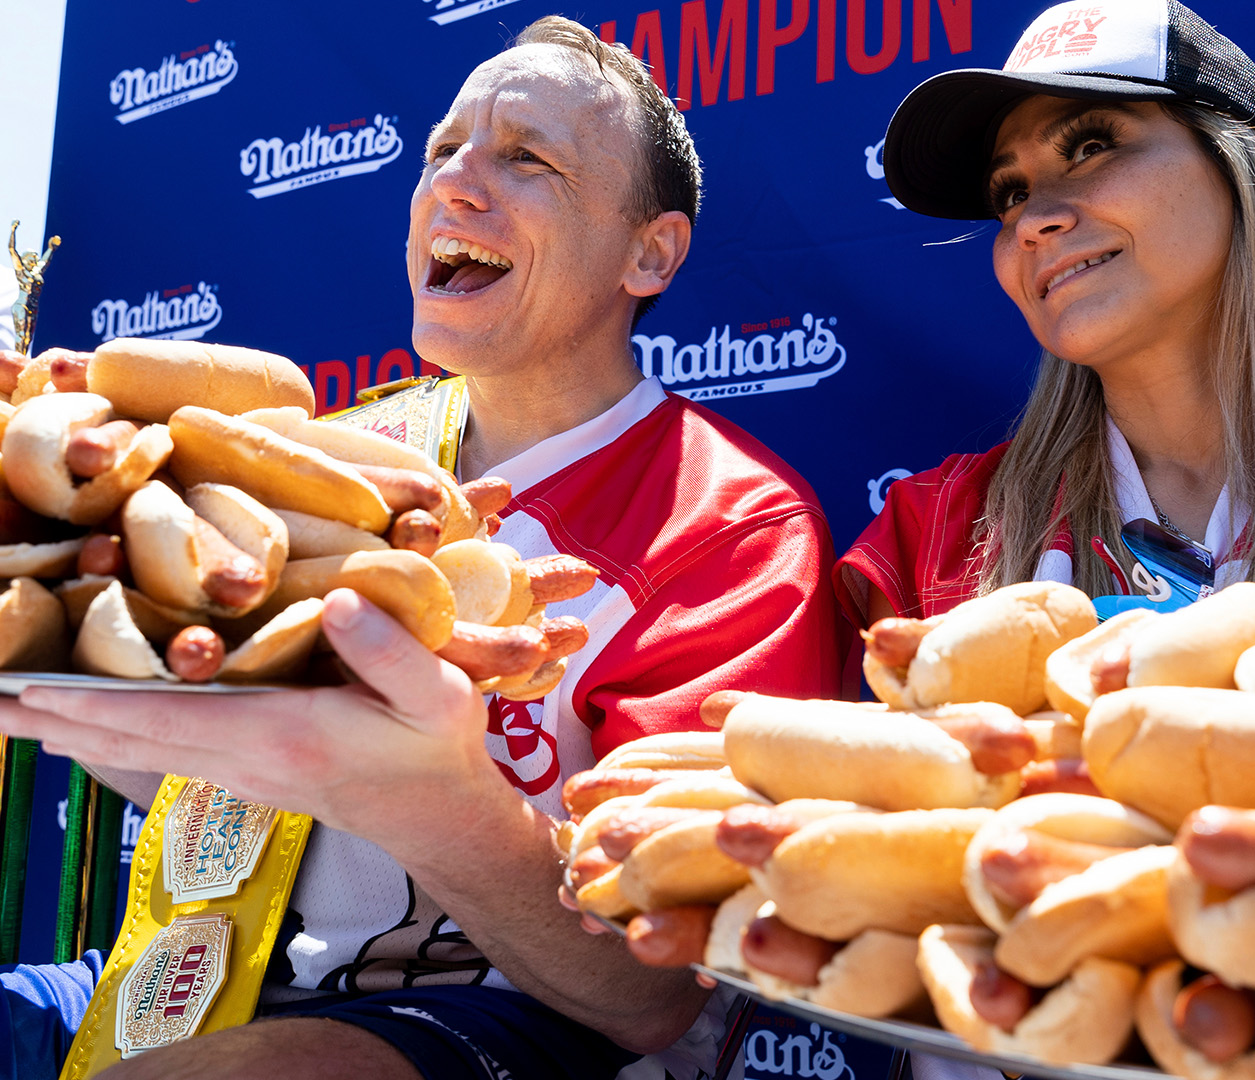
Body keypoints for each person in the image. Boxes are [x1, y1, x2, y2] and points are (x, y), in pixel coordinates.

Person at [0, 16, 841, 1080]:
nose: (455, 185)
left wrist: (415, 792)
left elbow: (652, 993)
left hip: (511, 1017)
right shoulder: (340, 451)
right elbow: (198, 773)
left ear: (650, 251)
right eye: (443, 151)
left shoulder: (732, 523)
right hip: (193, 969)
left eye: (525, 158)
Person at [838, 0, 1255, 628]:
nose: (1033, 220)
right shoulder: (933, 533)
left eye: (1091, 146)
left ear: (1239, 171)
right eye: (1010, 194)